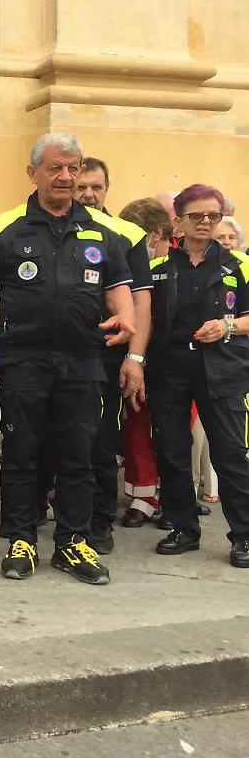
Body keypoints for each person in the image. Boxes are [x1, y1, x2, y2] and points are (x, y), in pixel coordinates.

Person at [0, 132, 136, 586]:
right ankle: (21, 538)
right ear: (34, 172)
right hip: (23, 360)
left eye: (73, 168)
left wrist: (125, 319)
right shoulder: (4, 228)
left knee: (79, 454)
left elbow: (117, 287)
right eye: (55, 168)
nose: (66, 177)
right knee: (21, 452)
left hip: (84, 361)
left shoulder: (103, 232)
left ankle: (72, 542)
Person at [145, 184, 249, 569]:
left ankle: (244, 534)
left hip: (222, 367)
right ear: (178, 221)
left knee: (230, 452)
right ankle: (183, 527)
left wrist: (227, 325)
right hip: (169, 368)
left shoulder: (240, 265)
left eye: (214, 216)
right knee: (172, 451)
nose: (206, 222)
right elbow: (144, 320)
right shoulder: (157, 268)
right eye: (197, 216)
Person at [73, 159, 155, 556]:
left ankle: (100, 520)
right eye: (82, 187)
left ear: (107, 189)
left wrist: (135, 359)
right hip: (58, 353)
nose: (89, 194)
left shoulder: (126, 234)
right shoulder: (54, 227)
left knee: (101, 438)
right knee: (54, 437)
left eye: (97, 187)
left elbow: (141, 301)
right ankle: (47, 512)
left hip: (106, 354)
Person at [116, 198, 172, 528]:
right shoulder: (130, 266)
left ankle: (176, 495)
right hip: (137, 358)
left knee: (174, 433)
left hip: (172, 361)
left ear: (155, 234)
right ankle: (143, 495)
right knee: (137, 426)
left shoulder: (176, 265)